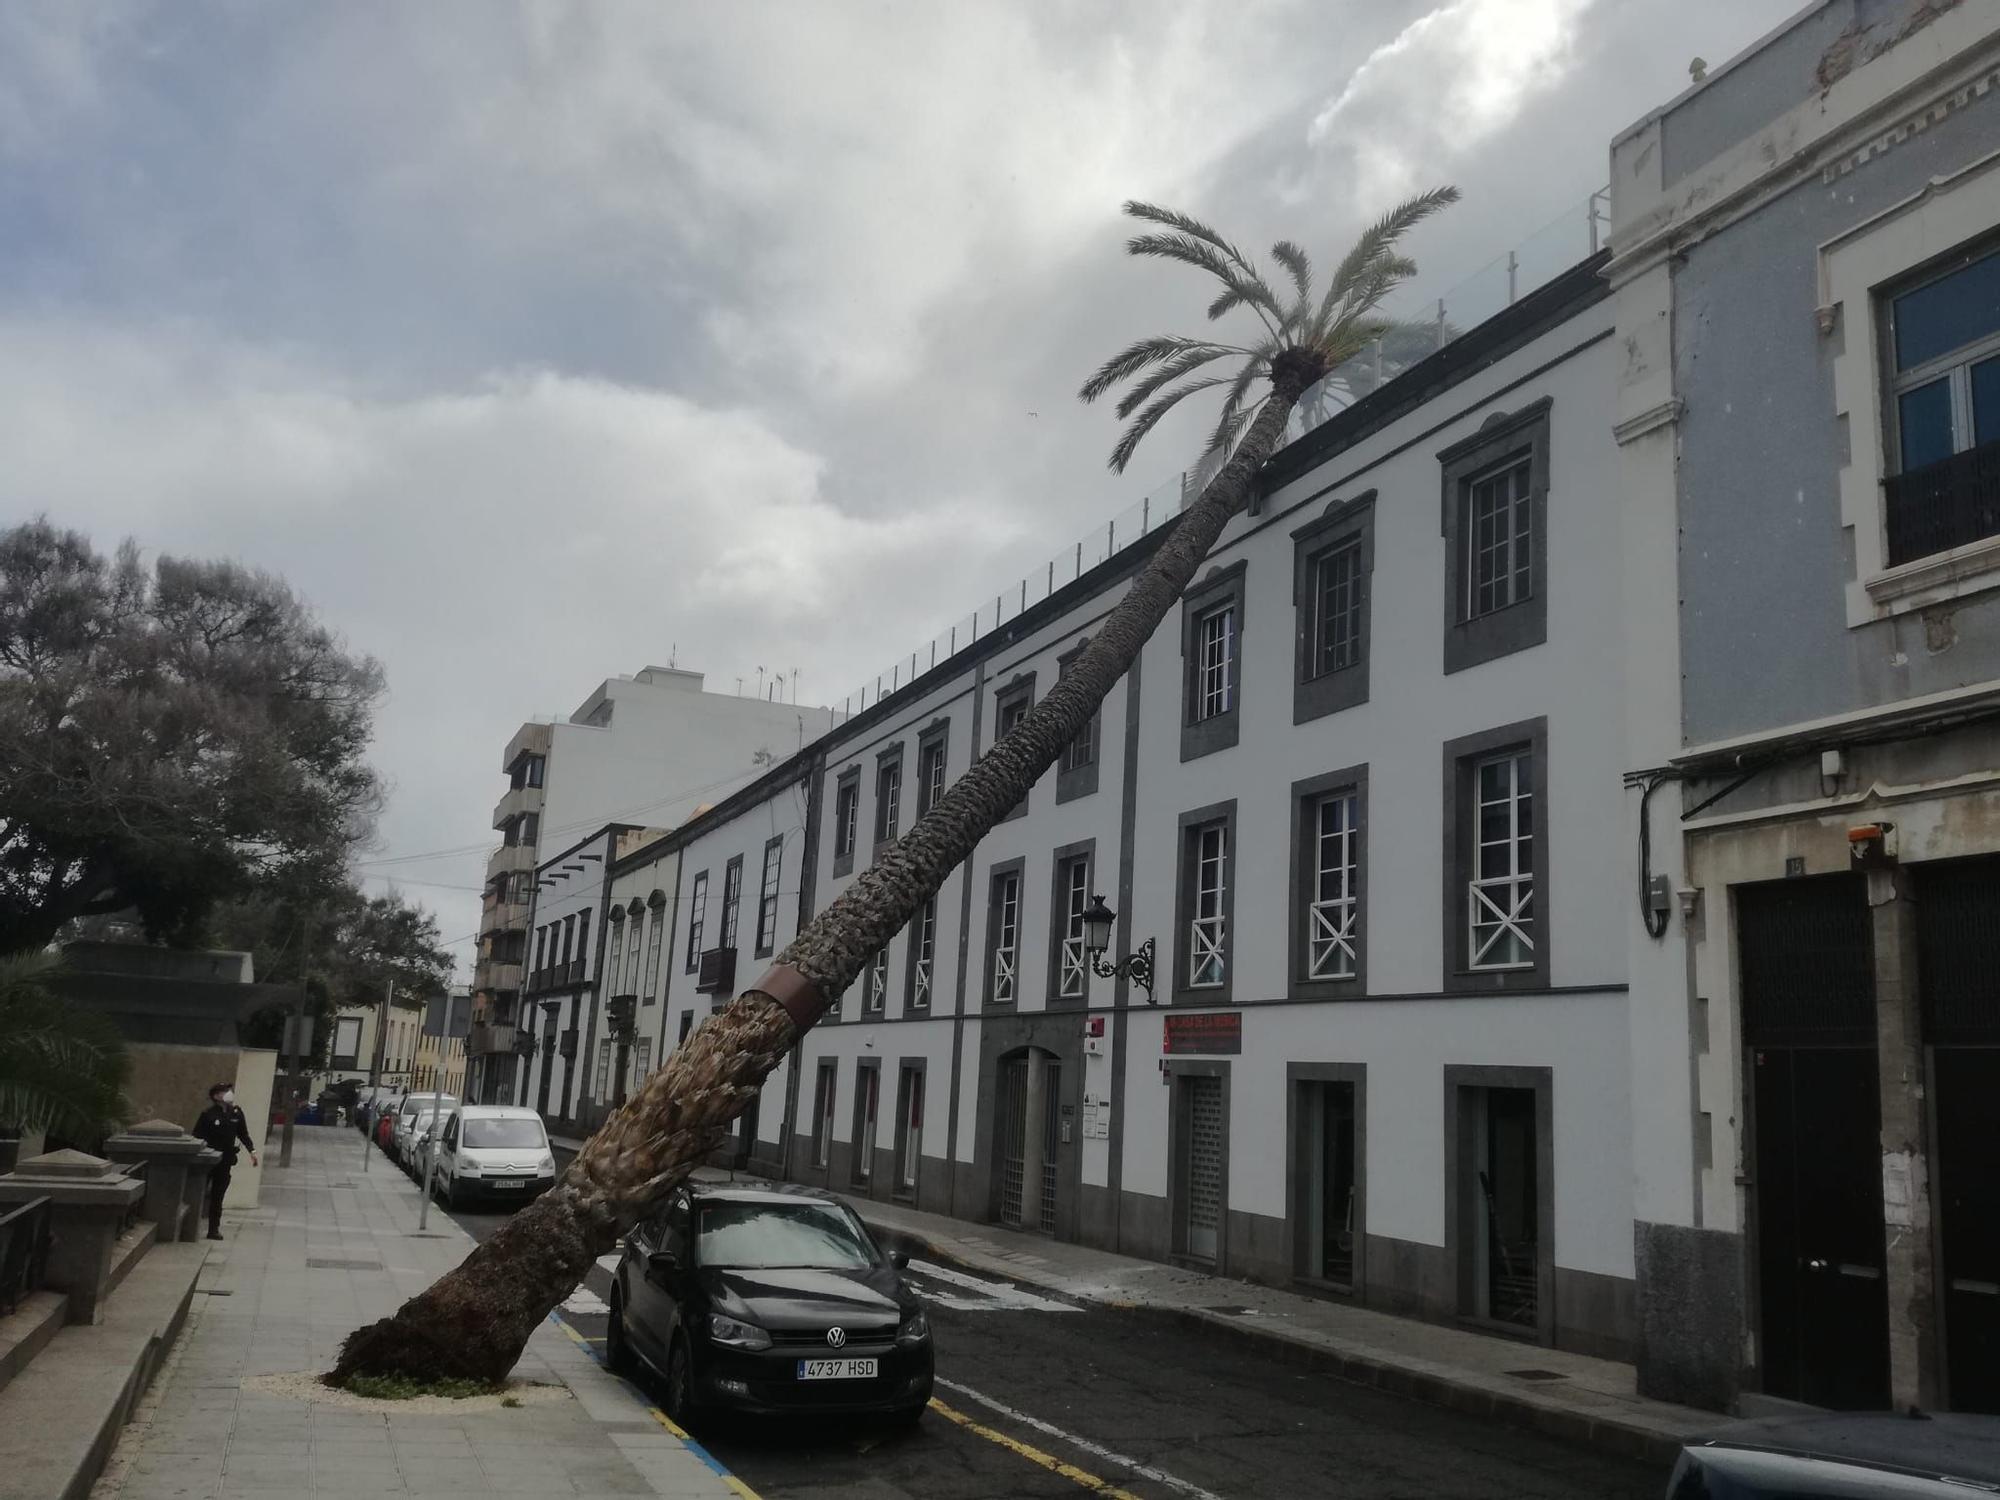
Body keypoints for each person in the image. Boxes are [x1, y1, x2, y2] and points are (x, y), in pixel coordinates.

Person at [192, 1083, 258, 1241]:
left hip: (225, 1160)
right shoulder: (208, 1114)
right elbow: (197, 1136)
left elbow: (243, 1134)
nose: (229, 1094)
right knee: (198, 1194)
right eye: (224, 1092)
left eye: (229, 1091)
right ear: (216, 1096)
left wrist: (252, 1151)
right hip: (208, 1160)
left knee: (218, 1196)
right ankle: (191, 1227)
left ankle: (213, 1230)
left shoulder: (236, 1113)